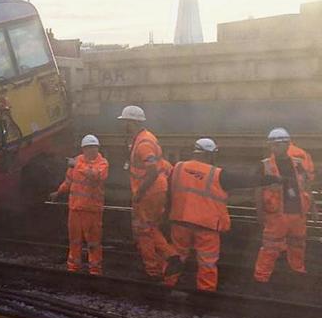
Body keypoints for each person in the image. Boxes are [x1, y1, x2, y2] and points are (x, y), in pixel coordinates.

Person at [165, 138, 280, 291]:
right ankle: (206, 292)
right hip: (206, 226)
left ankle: (168, 285)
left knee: (177, 256)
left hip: (180, 222)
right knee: (207, 261)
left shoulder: (177, 168)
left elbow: (166, 192)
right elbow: (245, 180)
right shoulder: (217, 174)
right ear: (210, 155)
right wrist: (272, 179)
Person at [117, 105, 181, 280]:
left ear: (132, 123)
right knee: (151, 228)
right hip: (155, 191)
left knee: (145, 231)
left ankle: (163, 262)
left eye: (125, 122)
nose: (123, 126)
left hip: (149, 192)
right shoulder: (145, 138)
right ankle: (163, 267)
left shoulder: (143, 143)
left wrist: (139, 193)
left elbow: (151, 171)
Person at [254, 128, 316, 283]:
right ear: (271, 146)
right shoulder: (265, 166)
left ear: (288, 144)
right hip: (277, 214)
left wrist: (313, 207)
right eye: (275, 145)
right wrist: (260, 212)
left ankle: (297, 272)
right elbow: (258, 190)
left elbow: (305, 187)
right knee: (270, 248)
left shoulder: (298, 164)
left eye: (282, 144)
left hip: (297, 212)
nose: (278, 147)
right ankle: (261, 277)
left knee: (298, 244)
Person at [49, 134, 109, 275]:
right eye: (88, 148)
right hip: (75, 209)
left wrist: (78, 165)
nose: (91, 150)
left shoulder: (102, 163)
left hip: (92, 210)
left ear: (98, 148)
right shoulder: (77, 162)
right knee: (74, 241)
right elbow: (69, 182)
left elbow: (96, 175)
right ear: (83, 149)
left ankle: (95, 270)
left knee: (93, 243)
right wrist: (58, 192)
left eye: (94, 147)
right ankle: (73, 268)